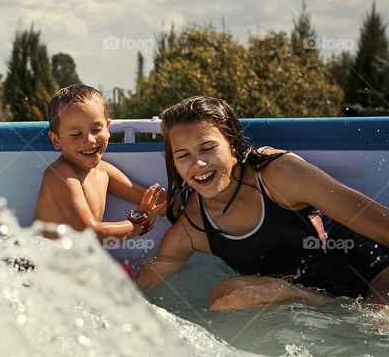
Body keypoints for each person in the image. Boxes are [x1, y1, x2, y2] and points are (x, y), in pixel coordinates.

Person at [135, 95, 389, 309]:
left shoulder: (277, 175)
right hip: (318, 302)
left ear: (232, 146)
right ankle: (329, 308)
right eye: (183, 155)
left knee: (377, 321)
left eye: (208, 148)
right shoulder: (194, 228)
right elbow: (152, 275)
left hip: (375, 274)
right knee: (228, 295)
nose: (197, 164)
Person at [31, 85, 166, 264]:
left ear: (107, 128)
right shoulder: (61, 175)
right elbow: (90, 235)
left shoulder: (104, 171)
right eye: (76, 134)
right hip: (39, 273)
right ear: (56, 140)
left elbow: (156, 200)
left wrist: (184, 207)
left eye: (96, 130)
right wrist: (137, 224)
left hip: (75, 272)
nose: (89, 140)